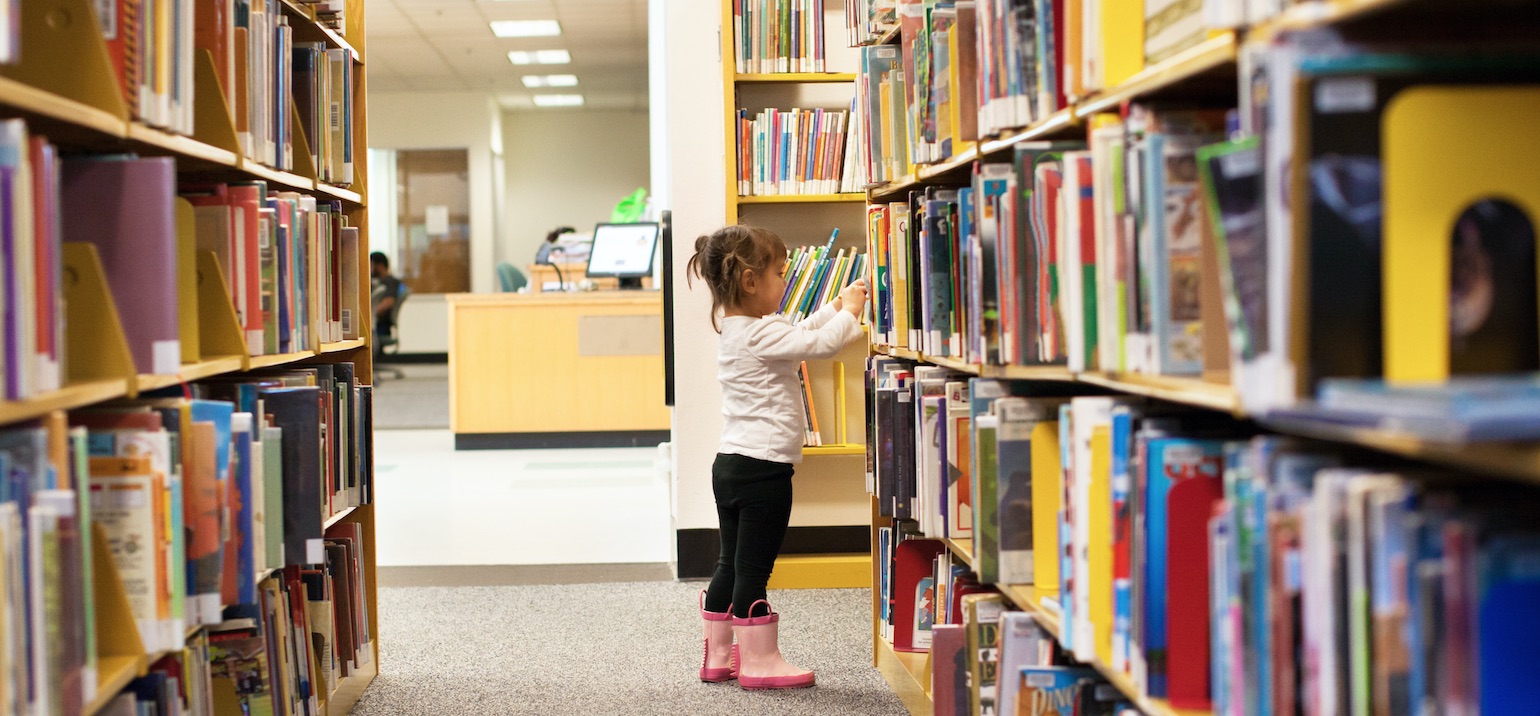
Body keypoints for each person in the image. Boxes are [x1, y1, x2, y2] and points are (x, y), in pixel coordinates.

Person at [686, 225, 867, 690]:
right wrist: (849, 315)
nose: (785, 281)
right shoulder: (761, 335)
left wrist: (831, 307)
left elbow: (800, 332)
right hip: (763, 470)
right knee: (753, 570)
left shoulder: (742, 330)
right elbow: (821, 346)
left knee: (729, 563)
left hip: (731, 465)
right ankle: (759, 664)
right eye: (780, 273)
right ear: (750, 281)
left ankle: (720, 657)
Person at [370, 252, 403, 341]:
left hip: (379, 327)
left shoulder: (390, 282)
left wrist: (369, 314)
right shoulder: (376, 282)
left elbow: (388, 303)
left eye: (371, 265)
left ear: (380, 266)